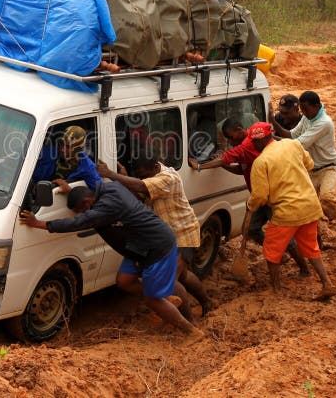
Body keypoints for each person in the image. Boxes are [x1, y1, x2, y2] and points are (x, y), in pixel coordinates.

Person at [19, 183, 204, 338]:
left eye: (80, 210)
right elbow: (92, 177)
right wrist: (70, 191)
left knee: (152, 299)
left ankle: (190, 331)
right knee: (124, 281)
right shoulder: (108, 189)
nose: (81, 214)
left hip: (156, 247)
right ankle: (164, 295)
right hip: (137, 247)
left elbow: (78, 223)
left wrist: (39, 223)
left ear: (87, 202)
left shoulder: (105, 208)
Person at [97, 148, 211, 317]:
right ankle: (200, 302)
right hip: (159, 237)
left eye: (144, 175)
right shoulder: (153, 175)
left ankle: (188, 323)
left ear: (155, 167)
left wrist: (112, 175)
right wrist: (125, 177)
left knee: (171, 281)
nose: (143, 178)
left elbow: (141, 186)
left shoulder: (167, 178)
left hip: (181, 234)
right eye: (140, 175)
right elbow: (141, 191)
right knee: (182, 276)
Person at [190, 118, 310, 276]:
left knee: (284, 234)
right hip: (259, 195)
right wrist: (224, 164)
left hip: (271, 196)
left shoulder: (247, 145)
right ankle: (278, 254)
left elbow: (227, 157)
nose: (229, 141)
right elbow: (241, 170)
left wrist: (200, 166)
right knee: (252, 229)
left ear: (240, 130)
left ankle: (303, 268)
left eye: (230, 137)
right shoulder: (245, 146)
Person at [245, 122, 336, 300]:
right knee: (311, 248)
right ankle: (326, 283)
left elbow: (260, 196)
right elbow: (309, 165)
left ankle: (276, 291)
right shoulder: (292, 144)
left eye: (253, 142)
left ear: (258, 142)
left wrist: (251, 205)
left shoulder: (260, 162)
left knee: (271, 251)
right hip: (310, 206)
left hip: (287, 212)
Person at [273, 91, 336, 245]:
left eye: (306, 109)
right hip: (312, 169)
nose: (303, 113)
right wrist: (273, 123)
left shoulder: (324, 123)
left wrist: (271, 139)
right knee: (308, 206)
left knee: (326, 199)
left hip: (329, 167)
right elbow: (291, 135)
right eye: (302, 110)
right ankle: (317, 242)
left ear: (317, 106)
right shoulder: (307, 117)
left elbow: (298, 144)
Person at [31, 125, 101, 192]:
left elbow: (99, 192)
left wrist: (70, 191)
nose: (62, 149)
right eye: (61, 144)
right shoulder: (47, 153)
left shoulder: (87, 167)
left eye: (68, 147)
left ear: (78, 149)